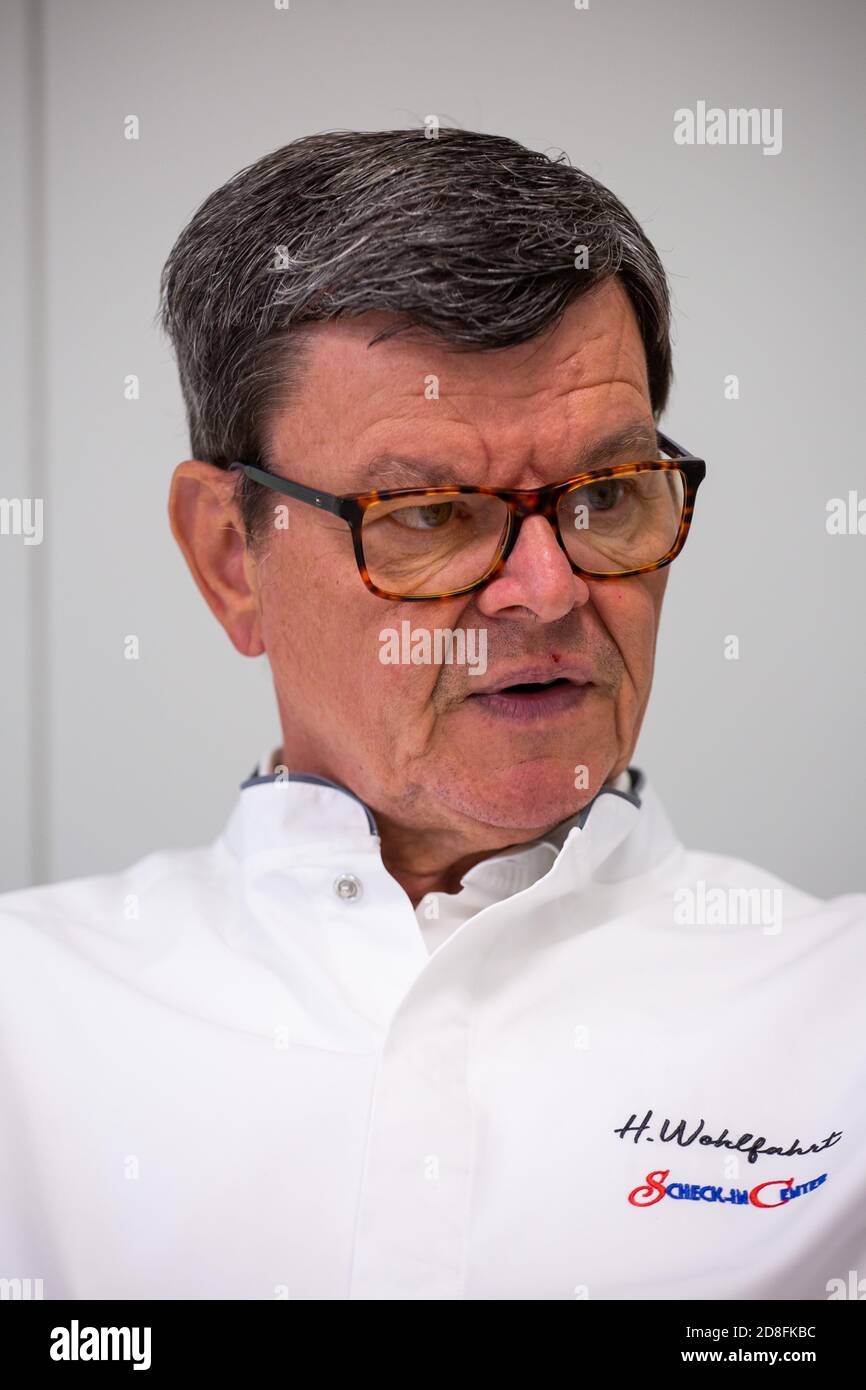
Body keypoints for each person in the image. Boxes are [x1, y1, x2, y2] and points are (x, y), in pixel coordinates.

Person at [0, 128, 862, 1301]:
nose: (549, 590)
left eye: (606, 495)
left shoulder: (837, 1013)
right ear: (230, 558)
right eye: (429, 513)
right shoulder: (28, 1023)